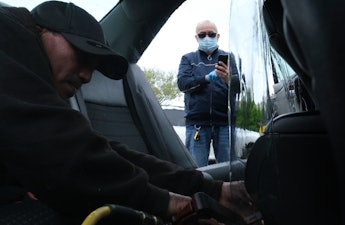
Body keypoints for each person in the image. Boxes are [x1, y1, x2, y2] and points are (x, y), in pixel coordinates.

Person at [0, 2, 255, 225]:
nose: (87, 76)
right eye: (81, 55)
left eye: (94, 67)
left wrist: (210, 189)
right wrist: (170, 205)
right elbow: (59, 150)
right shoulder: (8, 34)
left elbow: (104, 152)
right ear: (43, 30)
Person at [177, 20, 241, 167]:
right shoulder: (188, 59)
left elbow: (241, 87)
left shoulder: (230, 58)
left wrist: (228, 80)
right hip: (197, 124)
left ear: (218, 36)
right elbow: (183, 84)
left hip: (225, 123)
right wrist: (206, 78)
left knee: (228, 169)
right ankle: (200, 191)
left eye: (211, 34)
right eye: (202, 34)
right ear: (196, 38)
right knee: (197, 170)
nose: (207, 37)